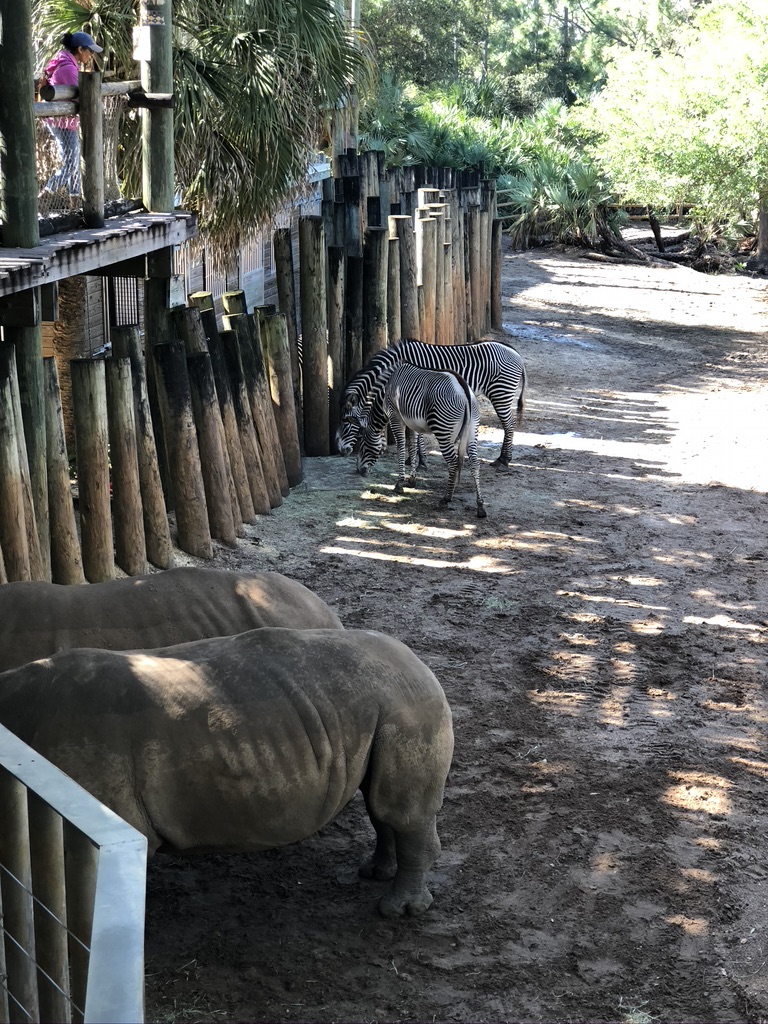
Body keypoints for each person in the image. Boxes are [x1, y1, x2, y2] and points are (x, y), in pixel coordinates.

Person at [40, 31, 103, 210]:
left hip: (63, 121)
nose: (91, 55)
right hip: (63, 122)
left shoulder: (66, 62)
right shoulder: (68, 67)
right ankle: (47, 193)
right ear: (80, 49)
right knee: (71, 163)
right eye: (89, 51)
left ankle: (74, 200)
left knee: (72, 160)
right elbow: (83, 95)